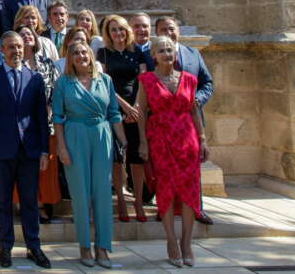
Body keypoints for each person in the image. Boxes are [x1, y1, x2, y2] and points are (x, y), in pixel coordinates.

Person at [53, 41, 127, 268]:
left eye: (84, 52)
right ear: (70, 58)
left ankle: (103, 248)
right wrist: (61, 147)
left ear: (91, 55)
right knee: (80, 193)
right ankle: (84, 246)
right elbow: (57, 117)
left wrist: (123, 141)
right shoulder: (63, 83)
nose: (80, 56)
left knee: (103, 193)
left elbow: (114, 113)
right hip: (75, 136)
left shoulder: (105, 80)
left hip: (101, 135)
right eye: (75, 53)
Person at [0, 31, 51, 269]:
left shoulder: (35, 78)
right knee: (2, 201)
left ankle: (34, 246)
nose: (16, 51)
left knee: (30, 201)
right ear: (2, 50)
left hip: (29, 150)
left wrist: (44, 150)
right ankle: (5, 247)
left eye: (19, 47)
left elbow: (41, 117)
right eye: (11, 47)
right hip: (2, 150)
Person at [137, 35, 210, 267]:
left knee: (189, 191)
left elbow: (194, 111)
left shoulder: (189, 79)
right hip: (160, 139)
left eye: (170, 50)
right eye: (162, 51)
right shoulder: (146, 79)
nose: (167, 54)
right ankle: (170, 240)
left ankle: (187, 241)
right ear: (154, 56)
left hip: (186, 139)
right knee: (166, 189)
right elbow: (142, 113)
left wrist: (203, 139)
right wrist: (143, 142)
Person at [153, 16, 215, 226]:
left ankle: (197, 208)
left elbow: (207, 83)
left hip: (190, 120)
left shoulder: (193, 54)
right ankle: (165, 209)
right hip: (163, 123)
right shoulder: (151, 55)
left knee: (192, 168)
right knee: (165, 170)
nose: (168, 33)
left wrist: (196, 100)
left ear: (177, 30)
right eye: (163, 30)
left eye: (171, 29)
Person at [97, 14, 149, 223]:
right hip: (114, 108)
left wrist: (136, 106)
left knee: (137, 158)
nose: (118, 33)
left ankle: (137, 200)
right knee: (117, 159)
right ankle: (120, 199)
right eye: (113, 30)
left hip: (136, 108)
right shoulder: (103, 54)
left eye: (121, 29)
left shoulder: (137, 52)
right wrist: (125, 107)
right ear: (108, 34)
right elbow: (104, 81)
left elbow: (143, 80)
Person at [17, 24, 62, 223]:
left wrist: (49, 110)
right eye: (22, 34)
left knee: (46, 167)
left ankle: (43, 205)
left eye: (29, 33)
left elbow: (57, 89)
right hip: (20, 125)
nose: (27, 36)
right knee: (23, 167)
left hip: (46, 121)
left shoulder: (47, 63)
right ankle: (28, 204)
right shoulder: (12, 64)